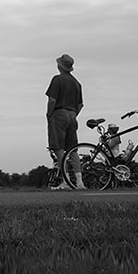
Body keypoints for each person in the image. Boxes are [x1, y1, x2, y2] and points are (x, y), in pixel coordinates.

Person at [46, 53, 86, 190]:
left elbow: (52, 100)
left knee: (59, 149)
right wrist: (73, 114)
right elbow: (80, 105)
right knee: (73, 149)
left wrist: (49, 114)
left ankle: (66, 181)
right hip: (72, 115)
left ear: (60, 66)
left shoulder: (57, 79)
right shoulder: (77, 83)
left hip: (59, 114)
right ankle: (79, 182)